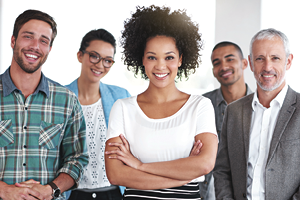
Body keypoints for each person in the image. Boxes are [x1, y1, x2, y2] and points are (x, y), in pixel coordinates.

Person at [104, 5, 218, 199]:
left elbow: (204, 165)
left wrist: (139, 166)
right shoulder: (123, 108)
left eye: (169, 57)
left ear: (181, 59)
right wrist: (184, 175)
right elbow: (116, 175)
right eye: (152, 57)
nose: (160, 66)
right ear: (142, 60)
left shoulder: (200, 106)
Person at [0, 9, 88, 200]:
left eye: (43, 41)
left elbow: (77, 159)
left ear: (49, 49)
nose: (35, 46)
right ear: (13, 40)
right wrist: (3, 190)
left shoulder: (67, 100)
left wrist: (50, 189)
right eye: (28, 37)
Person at [214, 28, 300, 200]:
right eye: (260, 59)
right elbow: (222, 169)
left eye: (275, 58)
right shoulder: (234, 111)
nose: (267, 67)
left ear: (288, 62)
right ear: (251, 64)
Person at [65, 28, 130, 200]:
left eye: (108, 60)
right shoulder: (60, 97)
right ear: (80, 56)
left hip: (114, 193)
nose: (100, 65)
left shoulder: (121, 96)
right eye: (94, 56)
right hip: (73, 194)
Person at [200, 41, 252, 200]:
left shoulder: (259, 106)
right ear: (213, 71)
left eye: (230, 59)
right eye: (217, 63)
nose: (223, 66)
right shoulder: (201, 105)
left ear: (244, 63)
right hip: (204, 192)